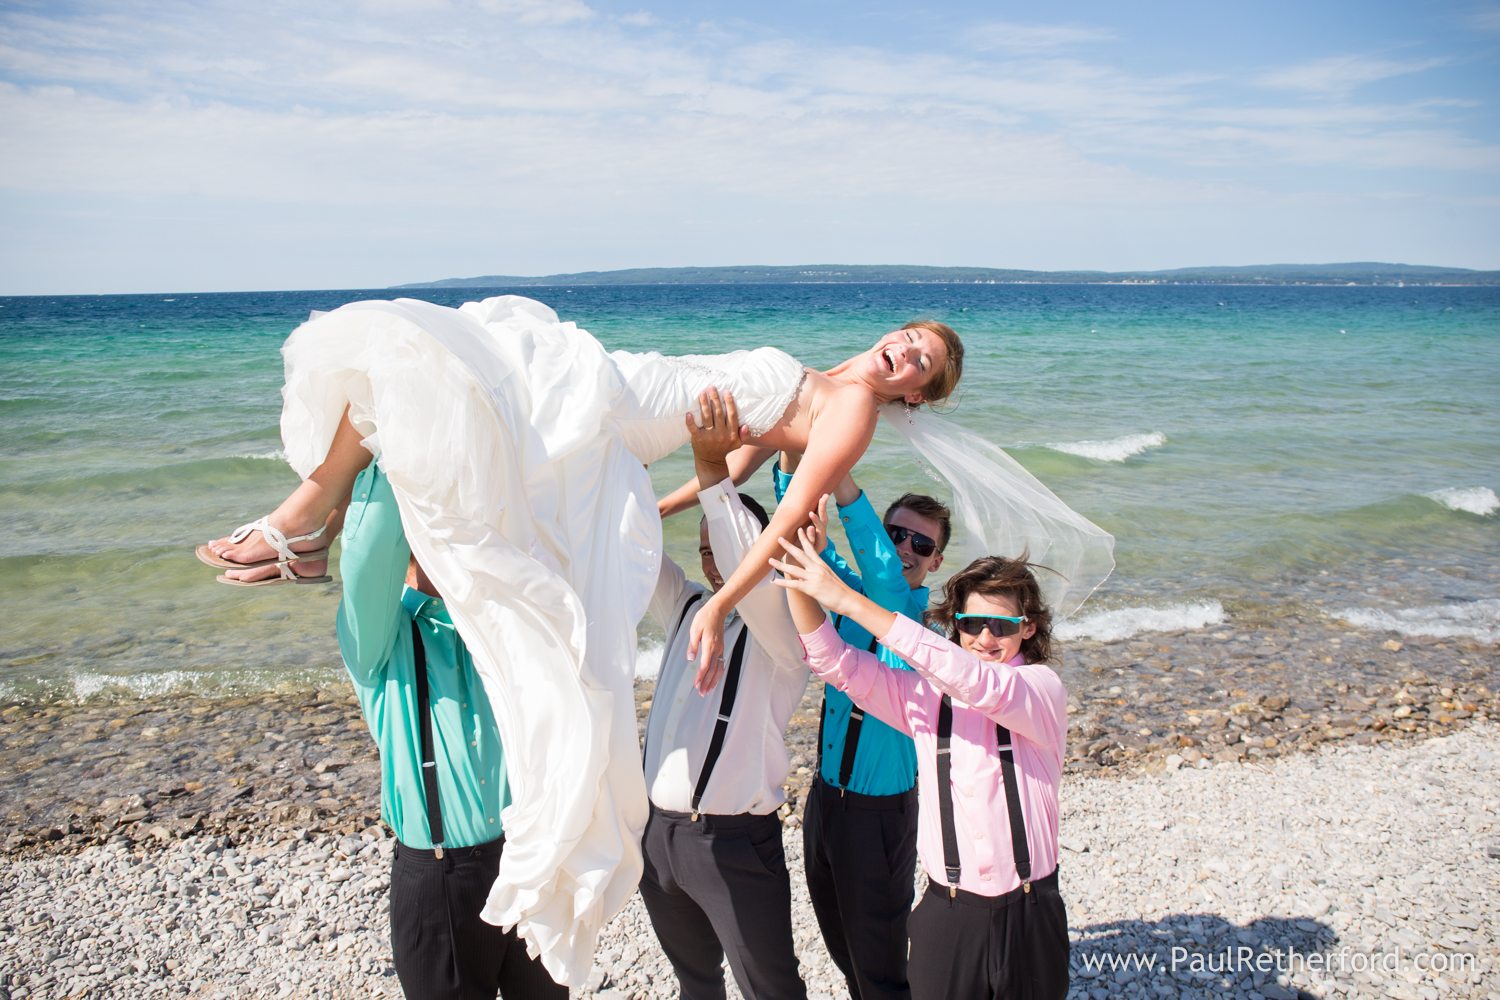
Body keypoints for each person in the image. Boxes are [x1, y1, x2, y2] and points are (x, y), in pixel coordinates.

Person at [194, 294, 1107, 984]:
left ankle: (302, 523)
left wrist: (714, 603)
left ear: (917, 395)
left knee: (442, 382)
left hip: (633, 405)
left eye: (923, 364)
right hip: (639, 401)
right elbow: (729, 473)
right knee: (432, 383)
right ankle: (307, 522)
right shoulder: (822, 384)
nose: (907, 353)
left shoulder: (851, 417)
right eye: (912, 338)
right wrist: (652, 501)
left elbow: (782, 516)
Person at [772, 500, 1071, 1000]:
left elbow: (978, 682)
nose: (984, 638)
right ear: (958, 626)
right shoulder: (924, 698)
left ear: (1029, 628)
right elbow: (834, 662)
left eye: (1001, 626)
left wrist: (846, 600)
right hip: (947, 911)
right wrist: (798, 577)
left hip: (1030, 908)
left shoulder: (1040, 690)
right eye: (972, 624)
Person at [333, 430, 564, 1000]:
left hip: (526, 862)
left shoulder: (499, 621)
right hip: (439, 881)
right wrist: (400, 436)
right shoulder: (379, 638)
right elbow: (365, 556)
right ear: (411, 546)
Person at [638, 388, 809, 1000]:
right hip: (656, 837)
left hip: (731, 842)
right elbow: (635, 555)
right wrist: (624, 474)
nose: (717, 566)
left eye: (728, 552)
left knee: (771, 986)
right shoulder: (687, 606)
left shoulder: (782, 634)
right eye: (707, 553)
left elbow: (749, 567)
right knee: (694, 981)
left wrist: (714, 475)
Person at [772, 456, 949, 1000]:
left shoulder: (915, 624)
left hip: (879, 815)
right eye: (897, 534)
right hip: (825, 799)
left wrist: (843, 471)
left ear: (936, 562)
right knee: (838, 936)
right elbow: (801, 536)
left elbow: (884, 578)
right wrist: (791, 459)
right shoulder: (848, 591)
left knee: (879, 961)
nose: (904, 549)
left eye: (920, 545)